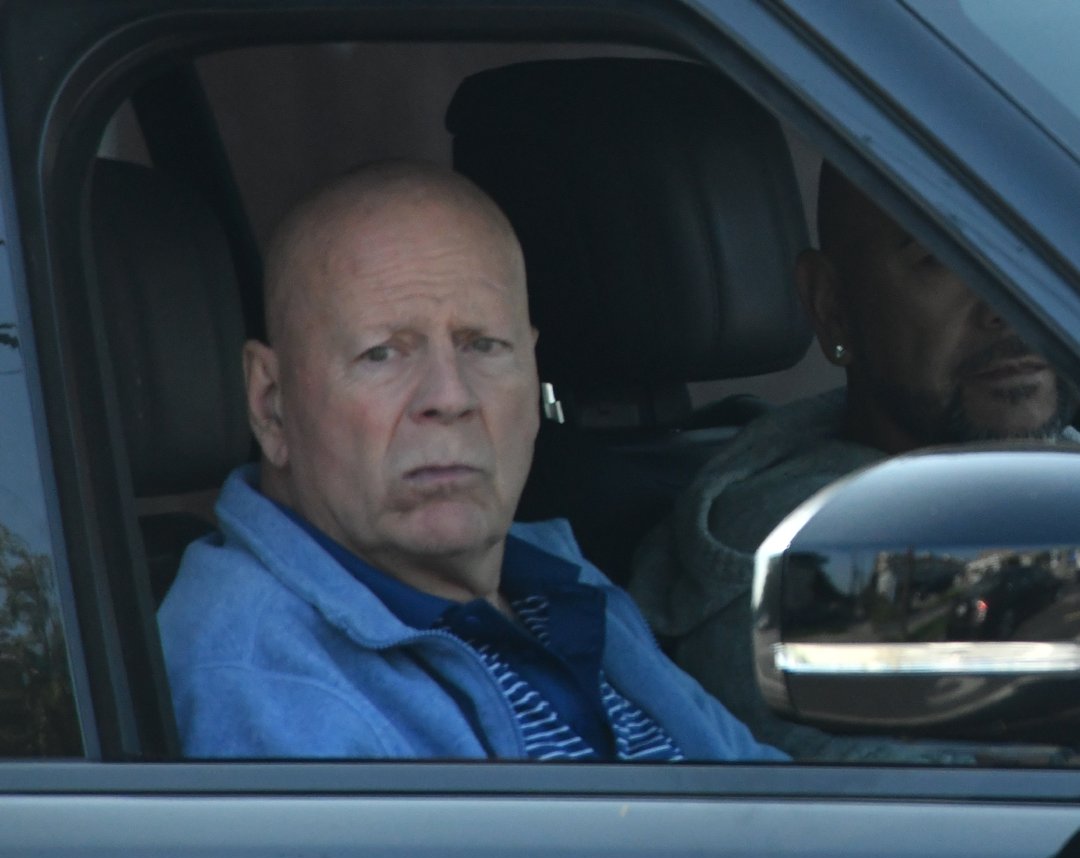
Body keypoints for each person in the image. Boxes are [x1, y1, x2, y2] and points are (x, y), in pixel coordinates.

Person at [158, 159, 786, 762]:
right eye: (382, 353)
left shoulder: (551, 579)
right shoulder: (269, 684)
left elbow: (778, 818)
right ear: (271, 404)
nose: (451, 397)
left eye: (483, 345)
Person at [629, 163, 1079, 762]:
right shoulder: (809, 567)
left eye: (1040, 252)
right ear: (832, 305)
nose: (1011, 305)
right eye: (940, 260)